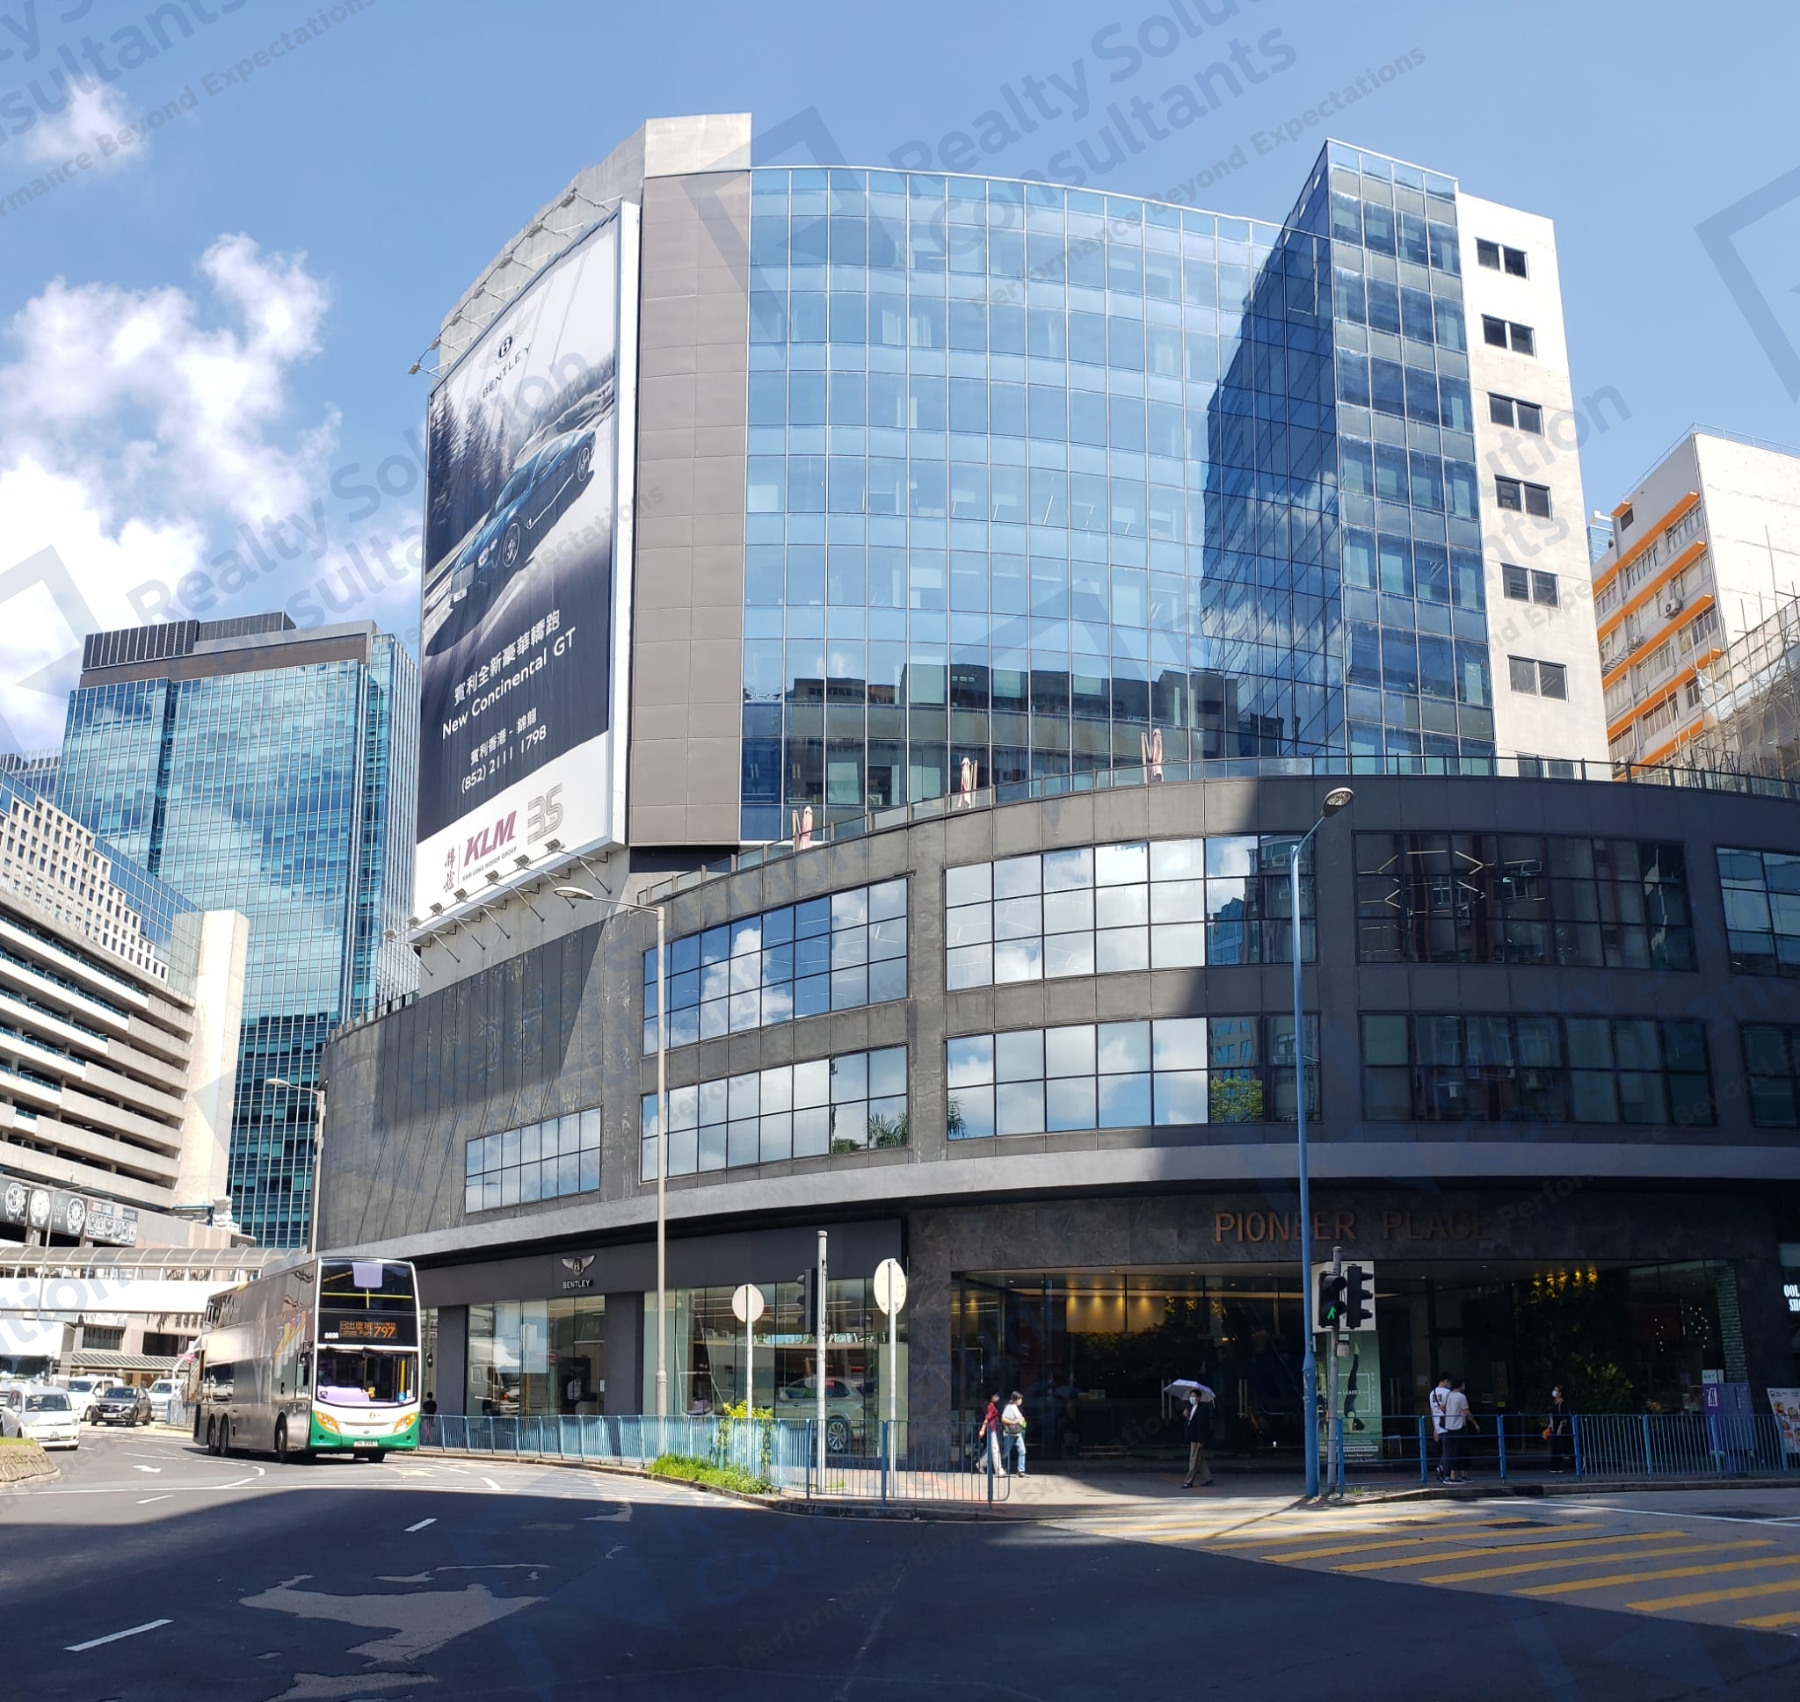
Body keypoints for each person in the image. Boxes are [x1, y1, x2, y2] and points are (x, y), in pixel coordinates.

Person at [1442, 1377, 1477, 1484]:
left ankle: (1452, 1475)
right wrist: (1475, 1423)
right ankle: (1453, 1476)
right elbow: (1466, 1412)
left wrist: (1450, 1413)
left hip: (1449, 1426)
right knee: (1460, 1450)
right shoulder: (1461, 1397)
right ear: (1461, 1385)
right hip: (1459, 1426)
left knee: (1452, 1451)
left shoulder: (1448, 1394)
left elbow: (1442, 1406)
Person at [1182, 1385, 1216, 1488]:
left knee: (1193, 1460)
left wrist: (1200, 1440)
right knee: (1200, 1459)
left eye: (1194, 1396)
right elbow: (1191, 1423)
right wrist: (1187, 1416)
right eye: (1191, 1396)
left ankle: (1188, 1481)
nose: (1191, 1398)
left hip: (1197, 1438)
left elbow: (1201, 1426)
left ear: (1198, 1397)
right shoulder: (1191, 1408)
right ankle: (1208, 1478)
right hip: (1193, 1437)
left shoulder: (1202, 1409)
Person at [1429, 1375, 1452, 1482]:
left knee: (1445, 1449)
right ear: (1445, 1380)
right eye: (1449, 1382)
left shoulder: (1432, 1393)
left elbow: (1432, 1411)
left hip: (1438, 1424)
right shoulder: (1448, 1392)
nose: (1449, 1384)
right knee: (1448, 1450)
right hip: (1448, 1423)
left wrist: (1434, 1428)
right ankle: (1443, 1470)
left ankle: (1442, 1468)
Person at [1547, 1384, 1573, 1473]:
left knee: (1563, 1447)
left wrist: (1560, 1428)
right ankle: (1555, 1467)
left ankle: (1560, 1466)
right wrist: (1550, 1425)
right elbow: (1552, 1415)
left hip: (1561, 1428)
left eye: (1556, 1390)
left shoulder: (1562, 1403)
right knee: (1555, 1447)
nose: (1554, 1392)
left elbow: (1564, 1418)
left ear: (1560, 1393)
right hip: (1554, 1427)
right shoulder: (1554, 1402)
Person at [1000, 1390, 1027, 1476]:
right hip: (1010, 1433)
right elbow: (1003, 1419)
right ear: (1016, 1399)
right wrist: (1015, 1422)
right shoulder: (1009, 1407)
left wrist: (1024, 1424)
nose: (1021, 1401)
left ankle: (1021, 1470)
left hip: (1017, 1432)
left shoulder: (1017, 1408)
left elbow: (1022, 1421)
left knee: (1022, 1451)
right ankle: (1003, 1468)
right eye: (1020, 1399)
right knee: (1006, 1453)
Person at [976, 1391, 1002, 1474]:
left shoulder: (994, 1405)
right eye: (995, 1395)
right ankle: (999, 1470)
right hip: (992, 1429)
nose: (997, 1397)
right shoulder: (991, 1406)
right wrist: (982, 1430)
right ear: (991, 1396)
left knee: (992, 1450)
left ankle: (980, 1464)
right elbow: (987, 1419)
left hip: (994, 1429)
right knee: (995, 1449)